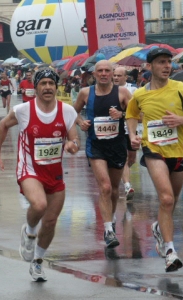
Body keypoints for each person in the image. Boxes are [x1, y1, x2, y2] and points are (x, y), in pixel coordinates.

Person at [0, 68, 80, 282]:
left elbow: (74, 139)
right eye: (43, 83)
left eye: (51, 83)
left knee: (50, 222)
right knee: (39, 205)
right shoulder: (23, 110)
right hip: (29, 170)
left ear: (57, 87)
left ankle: (37, 262)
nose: (47, 87)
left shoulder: (67, 111)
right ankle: (28, 231)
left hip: (54, 173)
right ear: (35, 87)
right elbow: (2, 125)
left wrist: (72, 145)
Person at [126, 48, 183, 272]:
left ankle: (159, 227)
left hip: (180, 151)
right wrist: (133, 134)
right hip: (154, 150)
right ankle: (171, 251)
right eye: (161, 62)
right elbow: (131, 114)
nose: (166, 66)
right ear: (150, 66)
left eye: (169, 62)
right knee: (166, 198)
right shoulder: (141, 94)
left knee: (170, 201)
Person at [73, 60, 132, 248]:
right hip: (96, 145)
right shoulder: (85, 93)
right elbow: (71, 113)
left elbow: (136, 114)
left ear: (113, 73)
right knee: (105, 187)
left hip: (117, 145)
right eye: (101, 71)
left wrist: (121, 115)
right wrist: (80, 122)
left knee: (114, 189)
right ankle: (108, 229)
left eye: (108, 70)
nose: (104, 73)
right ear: (95, 74)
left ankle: (112, 219)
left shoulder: (122, 93)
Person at [113, 66, 138, 200]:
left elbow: (137, 112)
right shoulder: (109, 89)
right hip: (118, 129)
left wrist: (121, 114)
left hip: (131, 129)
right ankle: (127, 185)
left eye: (119, 75)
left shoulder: (133, 90)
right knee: (124, 159)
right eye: (114, 75)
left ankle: (121, 174)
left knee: (131, 159)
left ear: (125, 77)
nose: (116, 78)